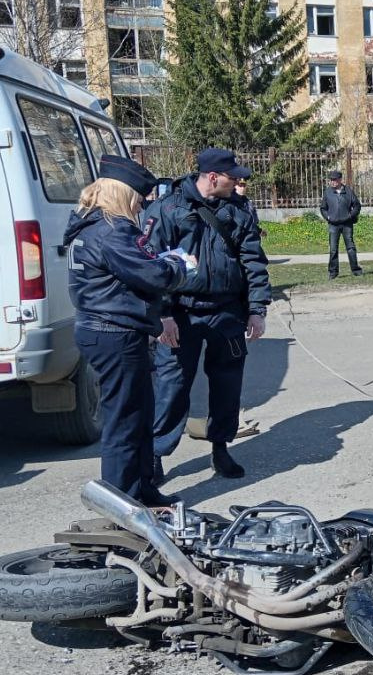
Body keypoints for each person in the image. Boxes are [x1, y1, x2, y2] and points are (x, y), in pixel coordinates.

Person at [64, 155, 195, 507]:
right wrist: (178, 265)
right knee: (124, 425)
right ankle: (122, 505)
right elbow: (155, 275)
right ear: (122, 194)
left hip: (112, 331)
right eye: (138, 196)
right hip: (113, 333)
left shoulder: (91, 226)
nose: (142, 203)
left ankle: (143, 492)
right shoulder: (111, 231)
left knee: (137, 418)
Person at [145, 148, 271, 483]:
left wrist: (256, 309)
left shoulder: (239, 209)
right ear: (212, 177)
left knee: (227, 384)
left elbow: (253, 261)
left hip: (227, 312)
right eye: (233, 177)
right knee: (172, 386)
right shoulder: (169, 208)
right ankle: (155, 454)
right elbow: (153, 267)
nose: (238, 182)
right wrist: (163, 315)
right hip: (181, 314)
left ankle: (220, 447)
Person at [320, 170, 363, 279]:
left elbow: (357, 205)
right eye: (331, 180)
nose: (332, 182)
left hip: (347, 224)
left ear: (340, 180)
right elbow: (323, 208)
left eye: (334, 180)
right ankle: (333, 272)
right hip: (333, 225)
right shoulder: (327, 192)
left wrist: (351, 216)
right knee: (333, 249)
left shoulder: (348, 191)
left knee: (351, 247)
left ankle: (356, 270)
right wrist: (328, 217)